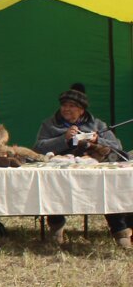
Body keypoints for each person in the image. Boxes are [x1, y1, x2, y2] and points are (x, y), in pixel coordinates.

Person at [33, 83, 128, 246]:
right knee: (52, 184)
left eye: (72, 106)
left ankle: (119, 230)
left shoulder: (97, 125)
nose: (66, 109)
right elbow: (38, 148)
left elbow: (117, 146)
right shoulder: (49, 125)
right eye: (64, 105)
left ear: (82, 110)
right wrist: (63, 139)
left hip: (92, 171)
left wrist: (97, 140)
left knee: (109, 186)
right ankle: (56, 225)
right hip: (61, 171)